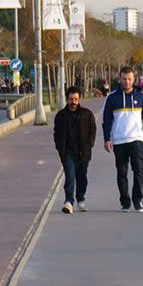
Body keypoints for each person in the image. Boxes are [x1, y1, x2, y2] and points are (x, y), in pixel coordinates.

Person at [102, 67, 143, 213]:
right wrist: (107, 138)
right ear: (120, 79)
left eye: (130, 79)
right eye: (124, 79)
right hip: (119, 140)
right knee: (122, 172)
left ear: (134, 79)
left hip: (136, 139)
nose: (127, 81)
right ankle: (125, 202)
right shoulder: (112, 98)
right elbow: (106, 120)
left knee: (138, 170)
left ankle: (137, 200)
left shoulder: (142, 97)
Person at [54, 86, 97, 214]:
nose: (73, 102)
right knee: (70, 177)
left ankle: (81, 200)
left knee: (82, 177)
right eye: (71, 99)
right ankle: (68, 202)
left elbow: (92, 130)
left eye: (76, 99)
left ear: (79, 99)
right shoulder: (61, 116)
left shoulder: (87, 114)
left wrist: (89, 144)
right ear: (67, 99)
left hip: (84, 152)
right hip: (67, 153)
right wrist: (60, 148)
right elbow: (56, 133)